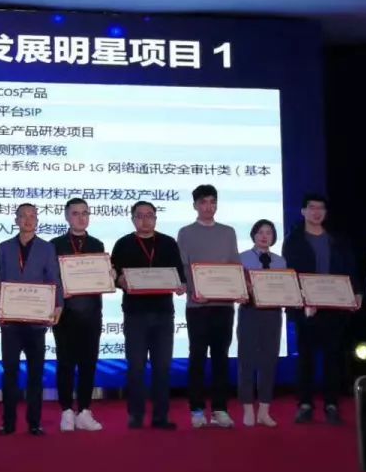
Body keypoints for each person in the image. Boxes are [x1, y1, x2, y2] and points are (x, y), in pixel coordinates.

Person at [282, 193, 361, 425]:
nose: (316, 212)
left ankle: (331, 404)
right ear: (303, 211)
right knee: (305, 358)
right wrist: (305, 299)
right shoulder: (293, 240)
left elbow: (350, 267)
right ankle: (305, 404)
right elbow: (290, 273)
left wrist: (357, 292)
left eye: (321, 208)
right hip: (306, 308)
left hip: (335, 307)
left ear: (325, 213)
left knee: (333, 358)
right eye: (312, 207)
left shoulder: (338, 239)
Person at [111, 200, 186, 430]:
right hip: (135, 314)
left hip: (163, 314)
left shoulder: (168, 243)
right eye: (140, 215)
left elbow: (180, 275)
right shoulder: (123, 244)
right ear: (133, 219)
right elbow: (113, 276)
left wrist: (181, 285)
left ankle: (161, 416)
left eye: (149, 215)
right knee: (136, 366)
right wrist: (119, 280)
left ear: (155, 218)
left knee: (162, 367)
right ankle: (135, 415)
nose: (145, 220)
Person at [177, 184, 242, 429]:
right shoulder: (186, 232)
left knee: (221, 358)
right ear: (195, 205)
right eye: (203, 202)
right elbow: (184, 267)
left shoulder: (228, 232)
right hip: (197, 305)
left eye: (212, 202)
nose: (208, 207)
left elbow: (234, 265)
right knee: (197, 357)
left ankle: (220, 409)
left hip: (224, 305)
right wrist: (195, 291)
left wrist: (238, 290)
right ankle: (196, 410)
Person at [0, 203, 62, 436]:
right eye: (23, 216)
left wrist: (58, 305)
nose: (28, 219)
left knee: (35, 373)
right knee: (9, 372)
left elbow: (54, 278)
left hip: (36, 322)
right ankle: (8, 422)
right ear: (16, 220)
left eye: (32, 215)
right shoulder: (4, 247)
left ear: (37, 220)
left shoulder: (47, 248)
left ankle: (35, 422)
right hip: (11, 322)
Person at [49, 197, 106, 432]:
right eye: (75, 213)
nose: (81, 218)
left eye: (85, 213)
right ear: (66, 216)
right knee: (65, 362)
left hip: (91, 313)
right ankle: (66, 411)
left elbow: (101, 278)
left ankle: (84, 410)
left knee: (88, 363)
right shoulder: (55, 245)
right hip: (64, 313)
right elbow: (51, 278)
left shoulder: (97, 244)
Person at [238, 219, 285, 427]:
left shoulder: (280, 261)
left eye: (269, 232)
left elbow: (285, 288)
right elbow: (236, 286)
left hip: (273, 314)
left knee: (269, 361)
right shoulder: (241, 258)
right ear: (253, 235)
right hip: (250, 312)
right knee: (246, 360)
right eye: (260, 232)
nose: (264, 236)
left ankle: (264, 410)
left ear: (274, 237)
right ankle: (248, 409)